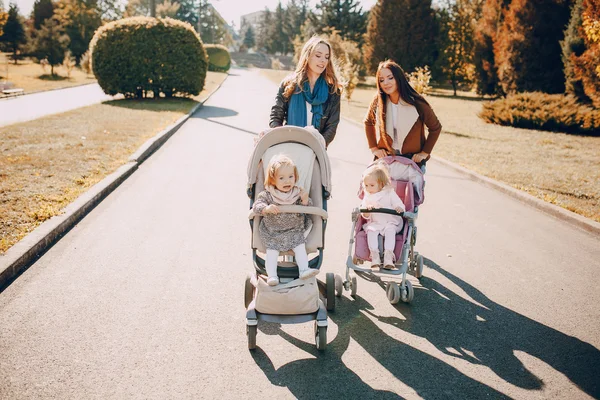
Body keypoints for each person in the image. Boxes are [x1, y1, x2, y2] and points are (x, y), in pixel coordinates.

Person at [252, 155, 319, 286]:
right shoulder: (268, 195)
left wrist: (305, 200)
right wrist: (266, 208)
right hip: (273, 232)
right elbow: (256, 206)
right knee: (272, 252)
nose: (287, 181)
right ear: (272, 180)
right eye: (281, 178)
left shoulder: (298, 193)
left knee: (300, 247)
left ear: (295, 177)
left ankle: (304, 270)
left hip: (294, 230)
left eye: (290, 177)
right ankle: (272, 276)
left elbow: (309, 208)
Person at [269, 36, 343, 148]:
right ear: (307, 56)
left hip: (315, 150)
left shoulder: (333, 92)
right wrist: (281, 138)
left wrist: (319, 144)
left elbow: (332, 126)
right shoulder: (289, 85)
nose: (323, 60)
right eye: (318, 55)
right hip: (287, 146)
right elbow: (276, 116)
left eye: (326, 57)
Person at [364, 60, 442, 164]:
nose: (386, 83)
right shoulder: (378, 101)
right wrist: (374, 148)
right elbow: (368, 122)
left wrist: (424, 153)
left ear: (398, 78)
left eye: (390, 78)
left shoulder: (417, 103)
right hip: (386, 160)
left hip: (412, 162)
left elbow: (435, 128)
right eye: (381, 80)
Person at [361, 164, 405, 269]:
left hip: (391, 221)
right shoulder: (368, 196)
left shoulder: (389, 193)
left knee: (390, 231)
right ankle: (374, 255)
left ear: (381, 184)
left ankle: (388, 256)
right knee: (371, 231)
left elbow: (399, 204)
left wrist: (399, 208)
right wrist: (367, 210)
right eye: (366, 185)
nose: (368, 188)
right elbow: (364, 213)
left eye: (371, 185)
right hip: (376, 223)